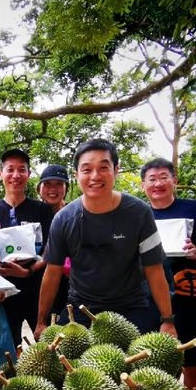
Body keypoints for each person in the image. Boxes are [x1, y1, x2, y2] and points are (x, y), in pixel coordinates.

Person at [36, 138, 177, 339]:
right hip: (82, 308)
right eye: (86, 170)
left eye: (103, 167)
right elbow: (52, 272)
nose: (95, 176)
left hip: (132, 307)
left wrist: (167, 320)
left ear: (116, 170)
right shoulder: (63, 219)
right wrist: (41, 321)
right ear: (76, 175)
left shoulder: (139, 213)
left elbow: (154, 269)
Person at [141, 158, 196, 390]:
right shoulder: (137, 213)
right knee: (151, 360)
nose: (158, 183)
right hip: (147, 297)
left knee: (192, 360)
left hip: (188, 294)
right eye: (151, 179)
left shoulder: (194, 208)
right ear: (143, 185)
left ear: (174, 180)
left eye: (164, 177)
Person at [0, 148, 54, 345]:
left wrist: (29, 272)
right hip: (3, 295)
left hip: (36, 291)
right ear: (0, 173)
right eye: (10, 169)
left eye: (22, 170)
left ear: (28, 174)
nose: (16, 175)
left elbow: (51, 248)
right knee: (8, 351)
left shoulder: (43, 210)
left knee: (47, 346)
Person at [38, 164, 72, 312]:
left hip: (70, 286)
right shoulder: (33, 213)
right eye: (47, 184)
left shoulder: (75, 213)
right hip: (38, 285)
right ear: (39, 188)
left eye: (59, 184)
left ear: (66, 188)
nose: (53, 189)